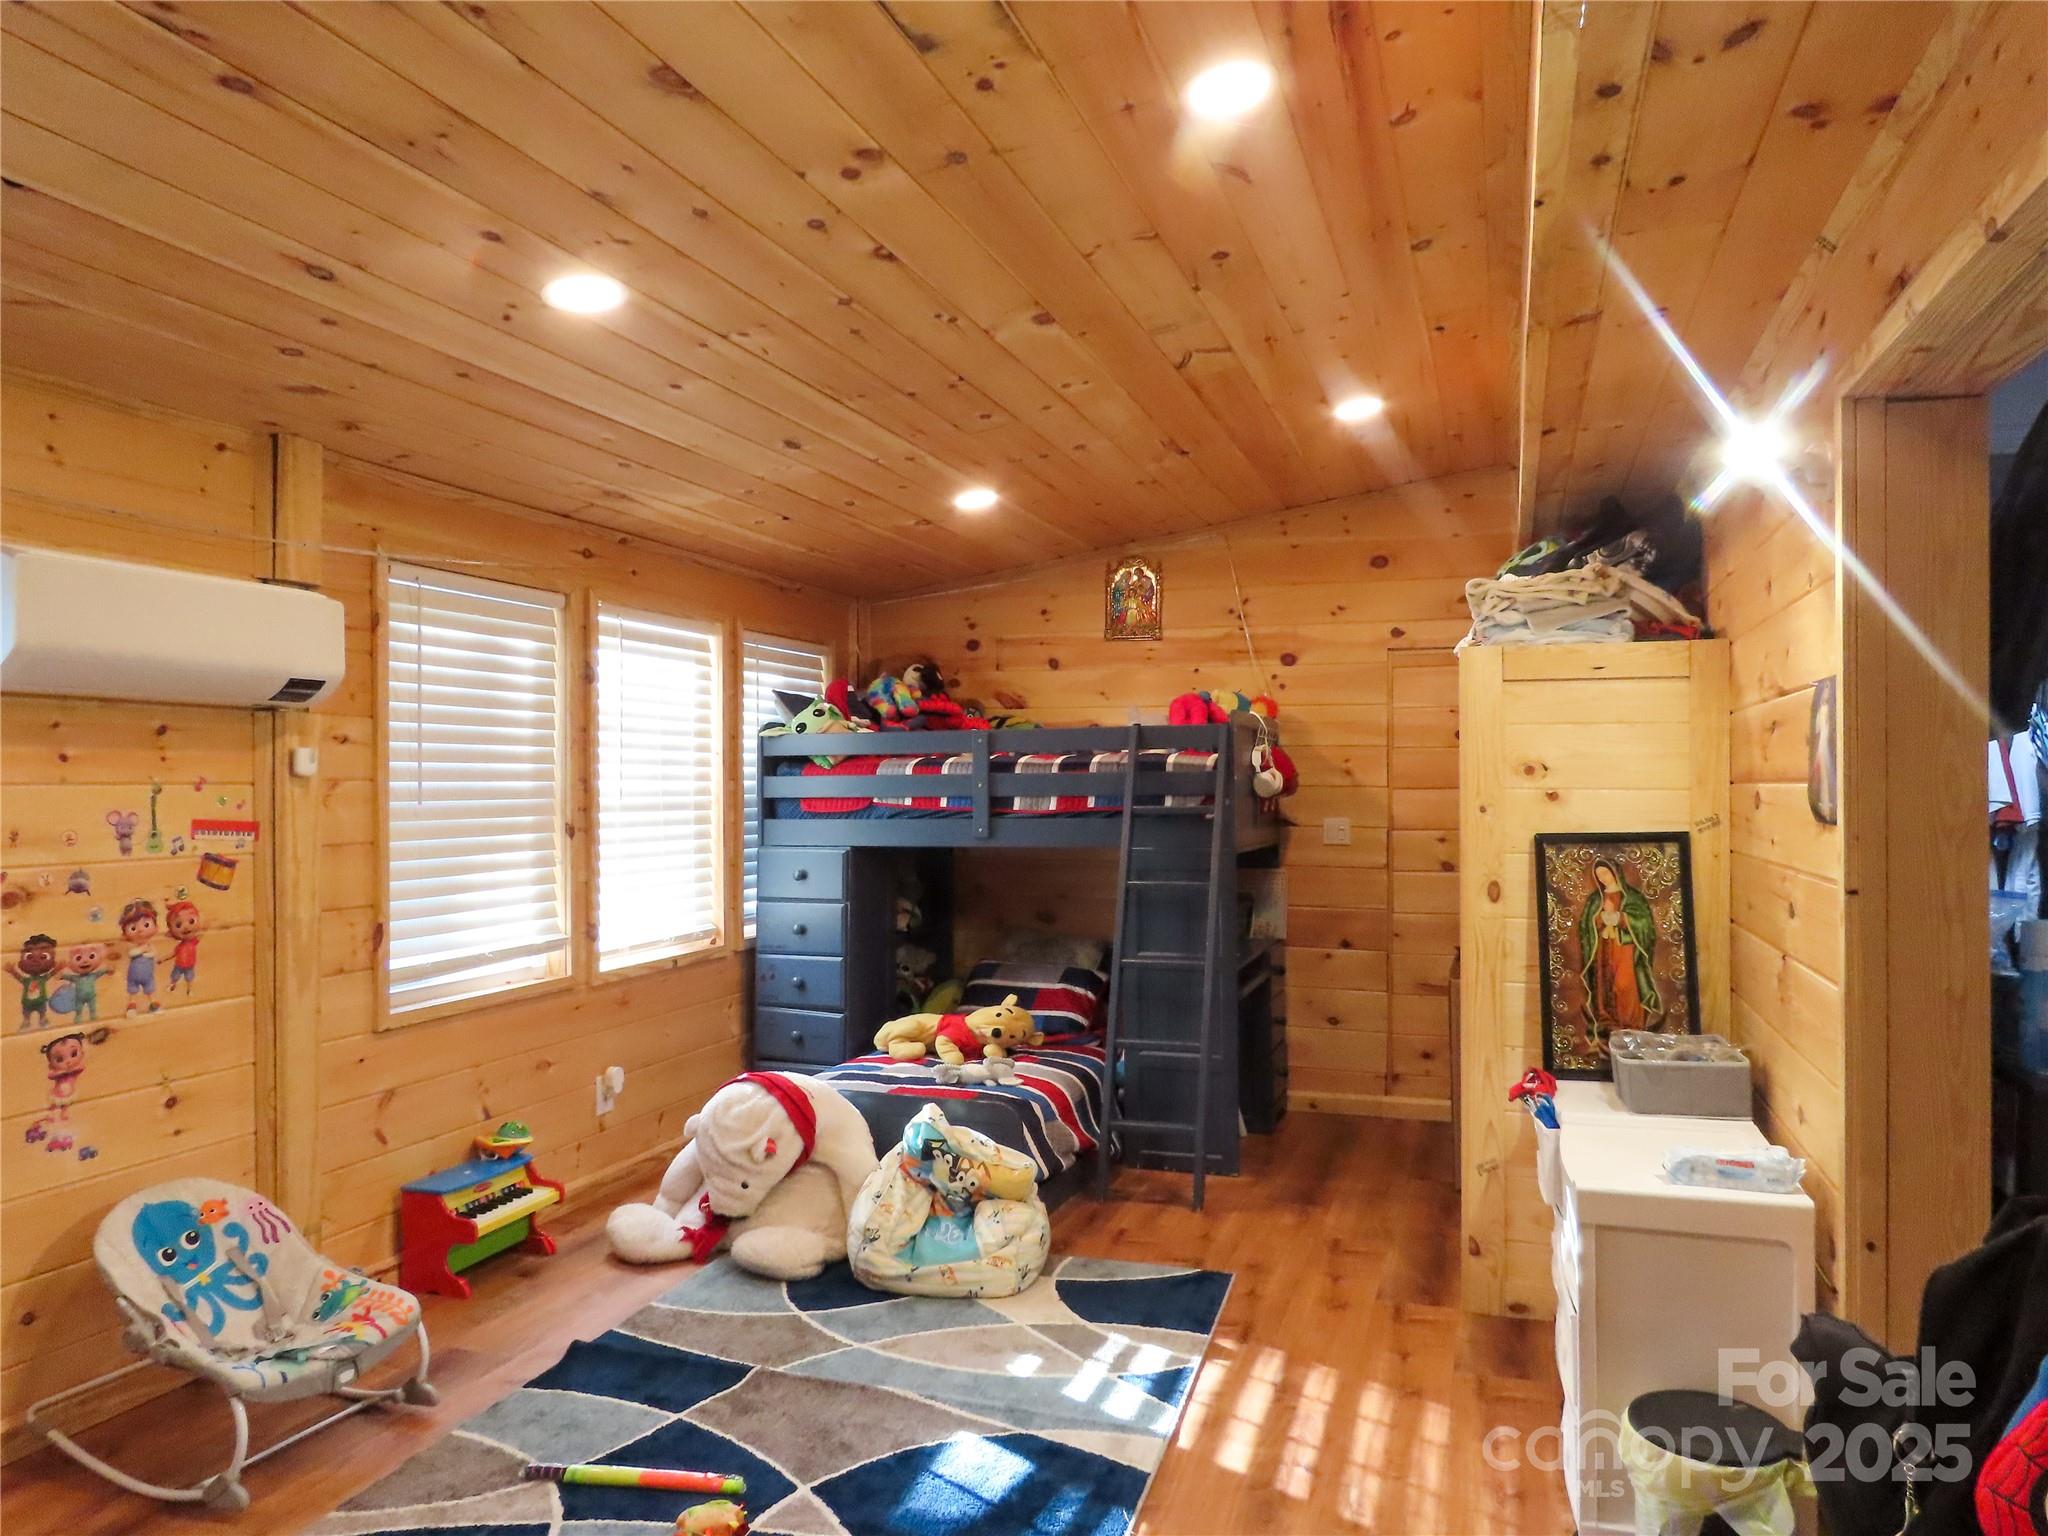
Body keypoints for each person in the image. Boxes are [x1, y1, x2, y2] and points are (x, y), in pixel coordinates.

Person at [1577, 858, 1664, 1052]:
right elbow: (1585, 927)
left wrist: (1621, 918)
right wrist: (1598, 919)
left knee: (1625, 986)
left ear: (1615, 873)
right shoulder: (1595, 899)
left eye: (1606, 873)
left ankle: (1631, 1028)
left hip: (1625, 951)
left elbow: (1645, 926)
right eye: (1599, 876)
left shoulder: (1633, 898)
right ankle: (1608, 1026)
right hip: (1603, 950)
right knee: (1604, 985)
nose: (1603, 878)